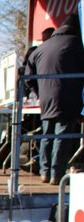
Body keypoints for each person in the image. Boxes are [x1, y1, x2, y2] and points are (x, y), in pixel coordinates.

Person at [25, 15, 84, 185]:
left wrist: (39, 92)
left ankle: (44, 172)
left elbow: (28, 77)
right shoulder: (76, 44)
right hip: (67, 98)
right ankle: (56, 175)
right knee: (61, 137)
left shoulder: (42, 48)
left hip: (46, 100)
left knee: (47, 136)